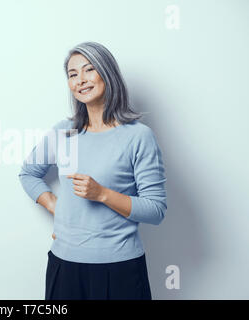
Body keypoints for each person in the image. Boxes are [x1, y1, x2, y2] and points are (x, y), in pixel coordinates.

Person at [18, 41, 167, 300]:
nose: (81, 80)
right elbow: (28, 173)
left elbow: (155, 210)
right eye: (73, 74)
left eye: (89, 70)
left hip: (120, 269)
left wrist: (101, 194)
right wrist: (57, 207)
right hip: (64, 265)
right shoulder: (64, 132)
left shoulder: (138, 137)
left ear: (107, 74)